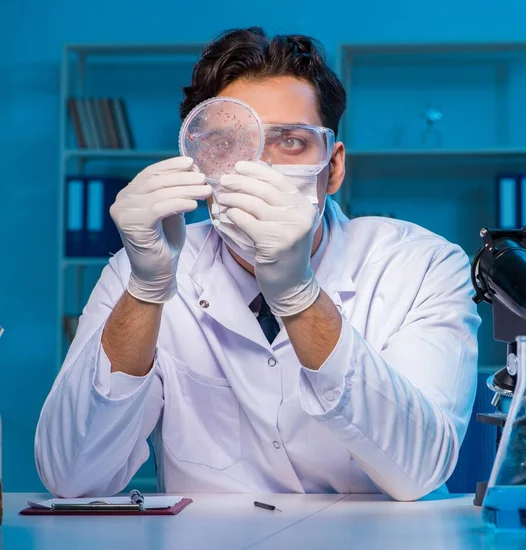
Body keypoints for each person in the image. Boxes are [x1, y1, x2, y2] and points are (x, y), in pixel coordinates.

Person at [35, 27, 480, 501]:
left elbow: (421, 469)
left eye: (290, 142)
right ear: (199, 161)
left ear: (332, 167)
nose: (258, 169)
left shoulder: (422, 266)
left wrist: (297, 295)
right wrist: (146, 289)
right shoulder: (144, 267)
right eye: (229, 144)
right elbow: (71, 477)